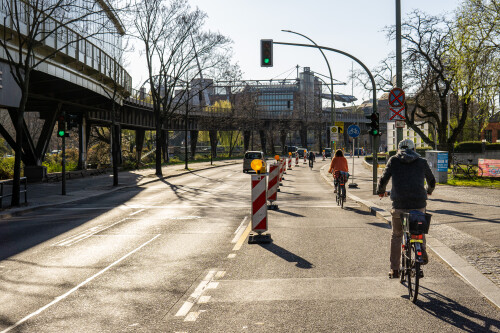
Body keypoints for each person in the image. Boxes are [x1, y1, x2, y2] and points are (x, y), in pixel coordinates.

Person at [376, 139, 436, 279]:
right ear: (414, 149)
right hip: (418, 204)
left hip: (399, 205)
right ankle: (421, 252)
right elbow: (431, 180)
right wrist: (429, 190)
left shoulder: (394, 160)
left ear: (398, 149)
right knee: (419, 229)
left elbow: (383, 179)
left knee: (397, 235)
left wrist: (380, 190)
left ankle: (395, 270)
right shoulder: (421, 161)